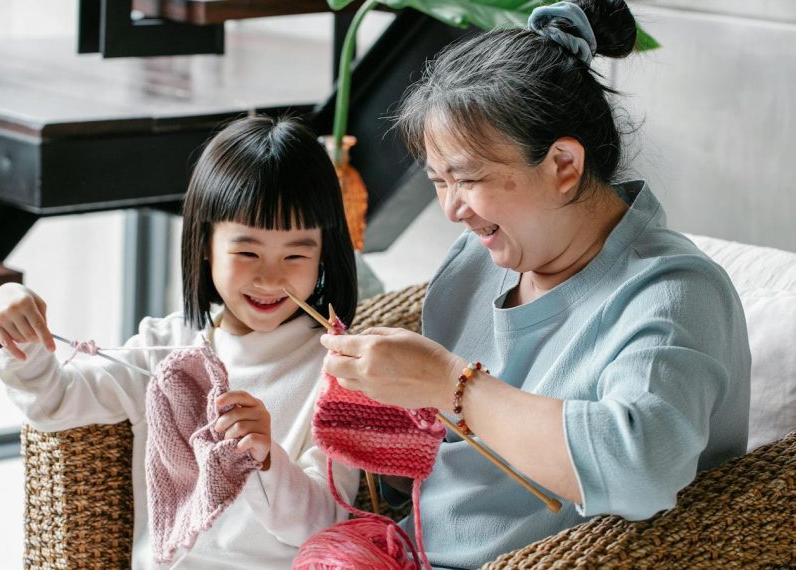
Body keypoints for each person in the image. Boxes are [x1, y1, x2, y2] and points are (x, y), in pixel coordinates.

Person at [319, 1, 751, 568]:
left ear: (563, 165)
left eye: (468, 179)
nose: (452, 210)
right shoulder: (477, 262)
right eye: (438, 182)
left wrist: (449, 384)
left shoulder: (673, 294)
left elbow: (641, 468)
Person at [0, 115, 360, 569]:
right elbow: (54, 400)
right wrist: (10, 318)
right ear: (205, 245)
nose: (270, 277)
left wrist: (266, 459)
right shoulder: (166, 347)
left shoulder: (338, 370)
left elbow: (327, 524)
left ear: (324, 255)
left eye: (296, 255)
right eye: (246, 252)